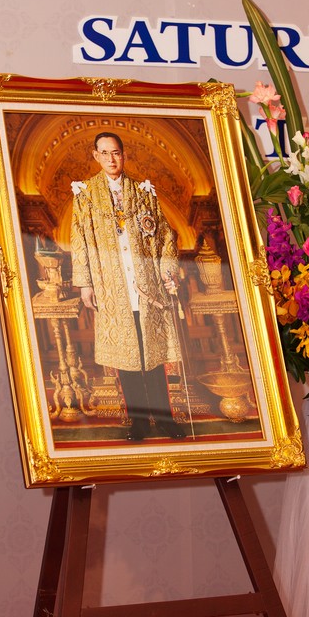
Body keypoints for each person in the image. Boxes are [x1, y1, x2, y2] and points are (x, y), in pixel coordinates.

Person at [70, 132, 186, 441]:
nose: (111, 159)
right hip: (112, 286)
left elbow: (164, 236)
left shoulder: (144, 192)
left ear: (124, 155)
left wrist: (167, 271)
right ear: (96, 155)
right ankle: (138, 422)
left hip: (147, 286)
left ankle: (164, 419)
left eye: (116, 153)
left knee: (152, 355)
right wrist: (85, 284)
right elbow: (79, 241)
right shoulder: (85, 195)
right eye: (105, 153)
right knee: (128, 359)